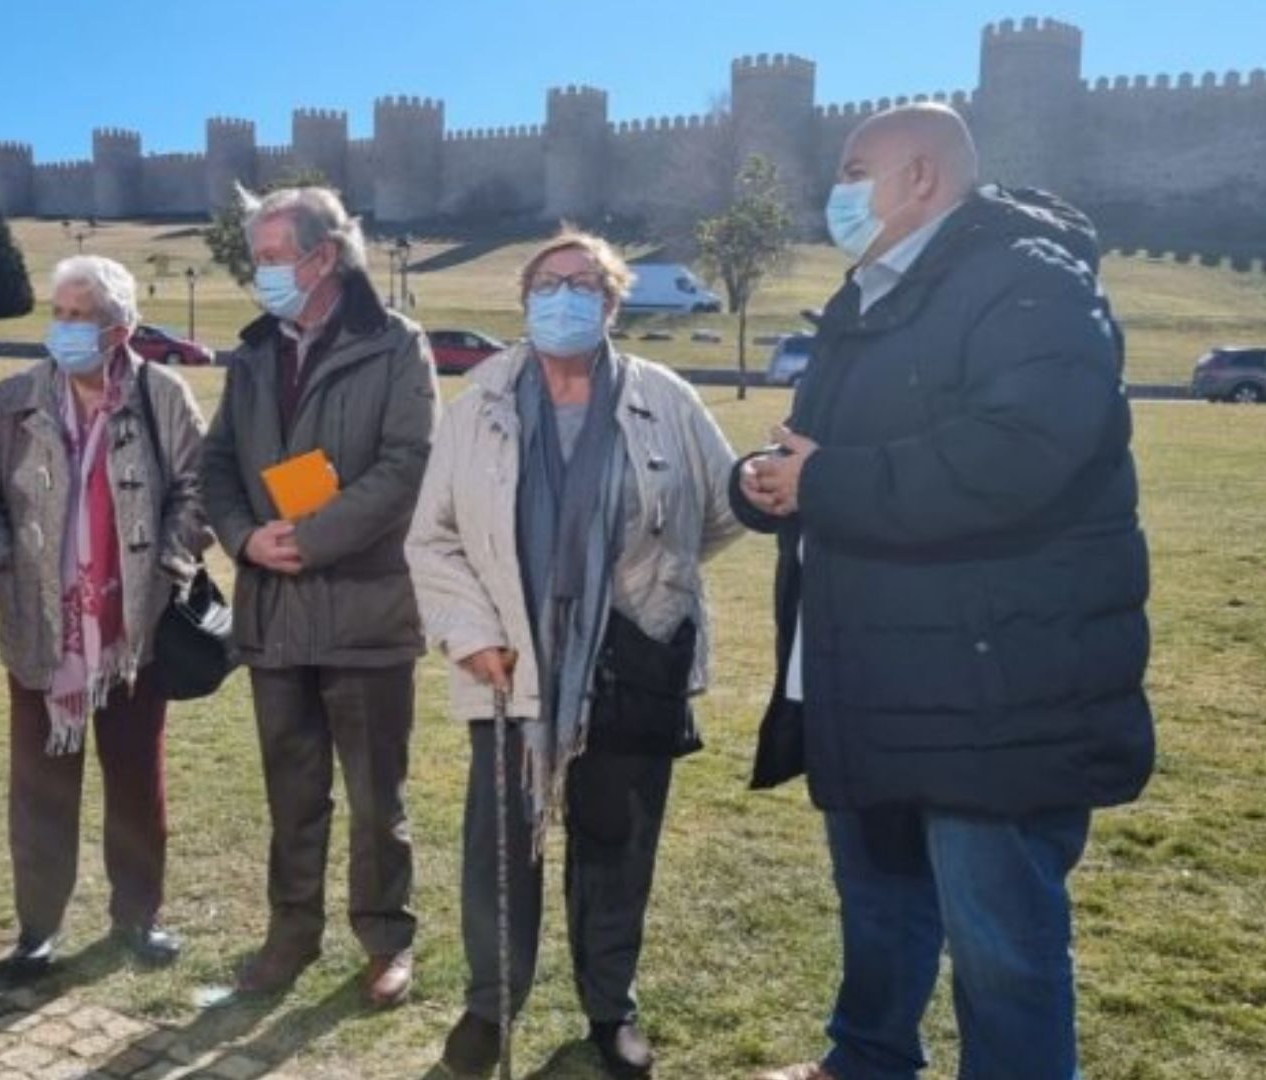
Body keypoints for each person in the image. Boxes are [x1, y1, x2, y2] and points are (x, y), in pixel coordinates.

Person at [737, 104, 1154, 1080]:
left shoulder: (1025, 285)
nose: (834, 193)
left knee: (1003, 952)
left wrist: (823, 481)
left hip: (991, 689)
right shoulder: (869, 299)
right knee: (880, 908)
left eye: (851, 171)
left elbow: (1011, 459)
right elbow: (824, 456)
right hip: (879, 675)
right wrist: (768, 483)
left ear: (919, 177)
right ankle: (866, 1062)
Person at [407, 232, 743, 1078]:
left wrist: (646, 585)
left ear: (612, 302)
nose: (564, 296)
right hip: (508, 663)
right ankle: (489, 1008)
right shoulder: (479, 400)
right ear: (524, 299)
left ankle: (610, 1009)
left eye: (584, 283)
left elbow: (720, 505)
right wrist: (471, 630)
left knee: (618, 842)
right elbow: (433, 537)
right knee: (501, 849)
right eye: (548, 282)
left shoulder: (664, 397)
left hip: (632, 660)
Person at [200, 185, 438, 1007]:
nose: (260, 274)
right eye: (257, 259)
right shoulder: (255, 351)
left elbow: (408, 466)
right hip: (273, 614)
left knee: (379, 799)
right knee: (292, 794)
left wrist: (315, 534)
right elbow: (217, 464)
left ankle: (386, 941)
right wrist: (242, 537)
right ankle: (290, 935)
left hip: (365, 614)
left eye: (271, 258)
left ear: (323, 255)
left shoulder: (396, 345)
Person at [0, 255, 209, 971]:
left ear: (120, 330)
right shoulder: (14, 399)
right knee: (40, 791)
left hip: (133, 635)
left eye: (80, 316)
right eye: (57, 312)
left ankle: (137, 920)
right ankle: (37, 932)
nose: (62, 327)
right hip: (40, 630)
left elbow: (197, 488)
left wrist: (166, 566)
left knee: (135, 785)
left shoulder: (162, 396)